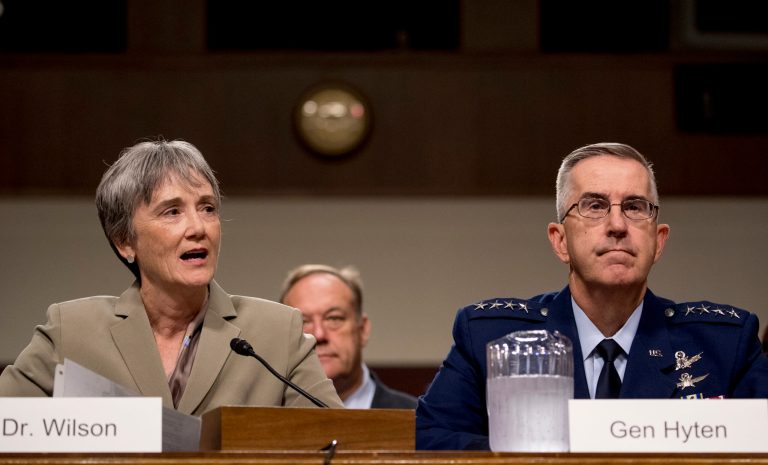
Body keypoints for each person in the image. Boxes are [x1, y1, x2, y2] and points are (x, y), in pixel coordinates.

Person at [416, 142, 768, 450]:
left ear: (658, 241)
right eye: (595, 206)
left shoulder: (725, 344)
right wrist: (537, 451)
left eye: (634, 206)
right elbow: (430, 439)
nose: (617, 225)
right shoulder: (491, 337)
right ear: (559, 240)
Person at [0, 140, 343, 413]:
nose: (198, 227)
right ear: (124, 242)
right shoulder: (71, 331)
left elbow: (340, 443)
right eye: (172, 211)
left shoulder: (277, 333)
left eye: (207, 208)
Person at [280, 264, 417, 409]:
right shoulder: (259, 423)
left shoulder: (416, 420)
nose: (319, 335)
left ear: (363, 329)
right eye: (304, 322)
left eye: (334, 318)